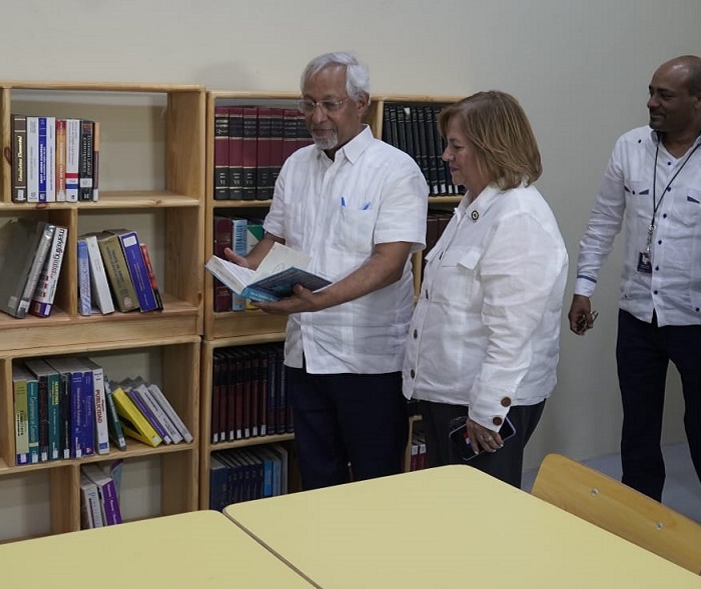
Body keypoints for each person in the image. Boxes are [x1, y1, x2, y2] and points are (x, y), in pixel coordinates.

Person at [221, 52, 428, 490]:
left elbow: (389, 265)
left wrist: (318, 301)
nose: (317, 117)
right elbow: (274, 240)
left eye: (330, 104)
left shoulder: (395, 170)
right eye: (308, 104)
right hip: (306, 353)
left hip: (368, 360)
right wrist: (246, 271)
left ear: (361, 103)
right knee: (317, 481)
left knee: (376, 483)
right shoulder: (296, 165)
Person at [568, 56, 701, 520]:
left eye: (664, 95)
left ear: (699, 99)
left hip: (700, 321)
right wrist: (584, 286)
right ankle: (639, 523)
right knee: (638, 427)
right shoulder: (629, 147)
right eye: (651, 92)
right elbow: (603, 222)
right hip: (637, 313)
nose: (651, 102)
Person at [402, 91, 567, 487]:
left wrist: (487, 410)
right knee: (450, 506)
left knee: (481, 512)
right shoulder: (473, 208)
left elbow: (513, 332)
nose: (445, 155)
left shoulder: (518, 218)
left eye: (456, 146)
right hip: (449, 393)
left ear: (492, 148)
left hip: (481, 405)